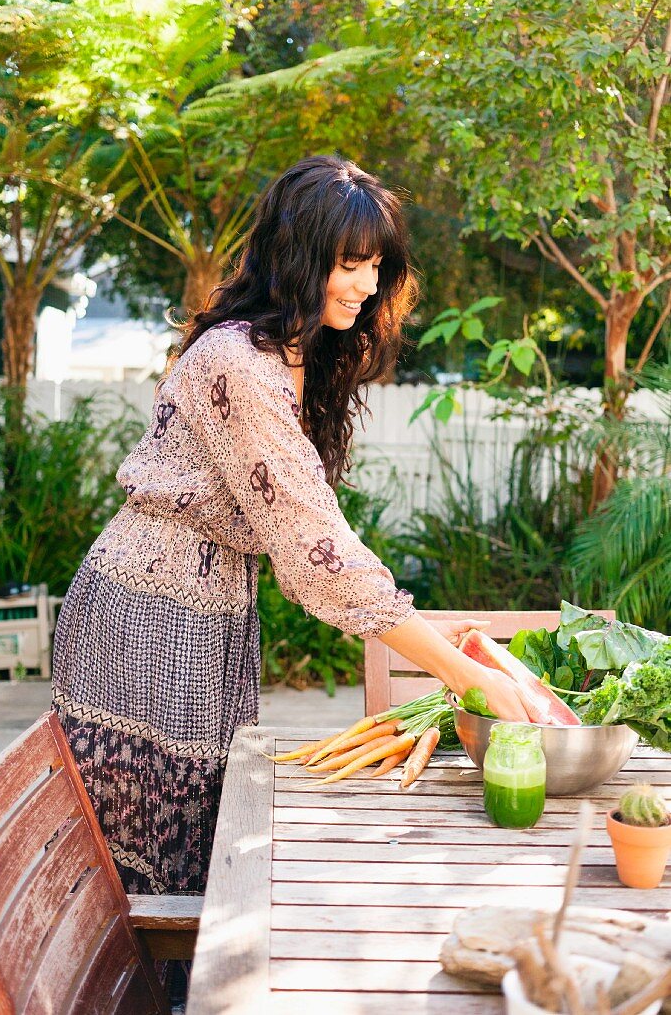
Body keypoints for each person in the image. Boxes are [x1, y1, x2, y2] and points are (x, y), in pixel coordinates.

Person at [51, 154, 535, 993]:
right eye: (350, 263)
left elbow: (311, 534)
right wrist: (461, 673)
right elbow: (318, 552)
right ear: (299, 258)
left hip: (202, 611)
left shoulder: (291, 355)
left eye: (376, 263)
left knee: (194, 843)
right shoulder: (239, 361)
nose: (367, 282)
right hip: (144, 616)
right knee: (153, 866)